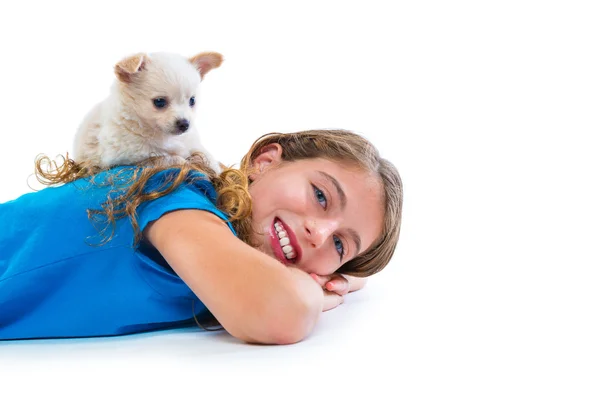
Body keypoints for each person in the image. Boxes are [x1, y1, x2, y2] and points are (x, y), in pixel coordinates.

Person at [0, 129, 403, 344]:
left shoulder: (222, 274)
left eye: (340, 245)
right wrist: (322, 293)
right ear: (264, 162)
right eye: (320, 195)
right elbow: (284, 311)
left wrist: (348, 277)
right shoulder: (175, 196)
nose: (321, 232)